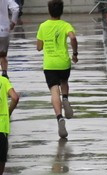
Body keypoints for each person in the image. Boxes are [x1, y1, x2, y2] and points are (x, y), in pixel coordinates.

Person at [36, 0, 78, 140]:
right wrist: (75, 53)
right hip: (63, 63)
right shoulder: (66, 25)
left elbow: (39, 47)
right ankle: (65, 98)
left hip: (50, 64)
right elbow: (73, 37)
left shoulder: (43, 26)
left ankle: (59, 118)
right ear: (62, 11)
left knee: (54, 90)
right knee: (64, 82)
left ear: (49, 11)